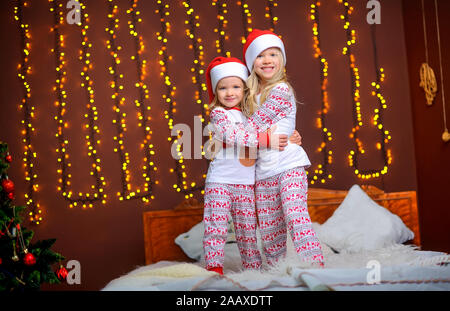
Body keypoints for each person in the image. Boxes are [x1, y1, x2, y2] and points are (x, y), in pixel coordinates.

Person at [211, 29, 324, 267]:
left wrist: (233, 135)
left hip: (288, 165)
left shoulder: (281, 90)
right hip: (262, 173)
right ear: (252, 62)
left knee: (296, 217)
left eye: (273, 53)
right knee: (271, 233)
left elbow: (252, 126)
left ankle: (316, 268)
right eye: (260, 56)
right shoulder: (248, 98)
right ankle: (275, 276)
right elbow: (244, 129)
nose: (267, 60)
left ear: (281, 59)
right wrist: (232, 136)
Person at [203, 56, 303, 275]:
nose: (230, 93)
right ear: (215, 92)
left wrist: (289, 137)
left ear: (245, 88)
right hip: (220, 181)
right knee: (216, 227)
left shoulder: (251, 115)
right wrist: (268, 140)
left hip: (246, 184)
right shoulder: (219, 114)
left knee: (247, 231)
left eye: (236, 86)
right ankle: (214, 268)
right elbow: (235, 135)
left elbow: (266, 136)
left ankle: (253, 271)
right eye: (223, 88)